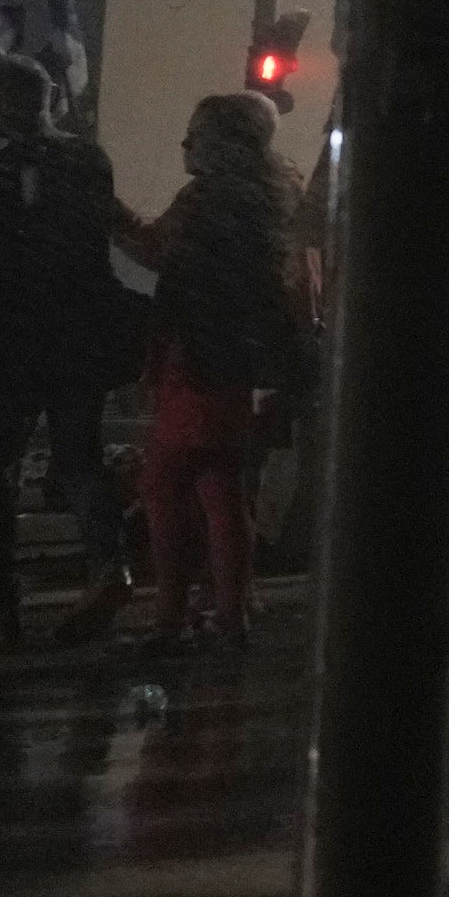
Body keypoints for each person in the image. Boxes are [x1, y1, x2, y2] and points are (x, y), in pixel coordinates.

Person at [0, 51, 138, 647]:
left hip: (5, 338)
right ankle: (110, 566)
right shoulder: (91, 161)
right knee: (79, 459)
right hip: (79, 335)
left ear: (1, 104)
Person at [122, 88, 312, 657]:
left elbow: (155, 249)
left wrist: (111, 213)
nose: (185, 142)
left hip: (202, 358)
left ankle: (171, 619)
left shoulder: (209, 199)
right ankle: (228, 611)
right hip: (244, 360)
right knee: (219, 483)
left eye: (196, 132)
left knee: (165, 483)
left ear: (227, 142)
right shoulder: (280, 191)